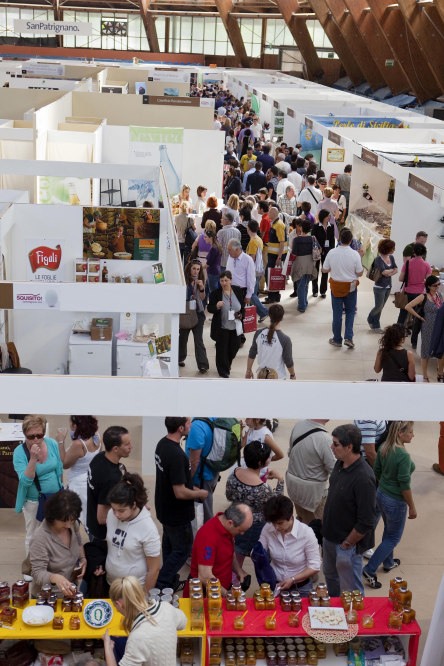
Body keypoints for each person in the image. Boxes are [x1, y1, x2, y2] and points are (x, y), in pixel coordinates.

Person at [322, 424, 376, 596]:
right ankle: (336, 615)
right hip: (329, 539)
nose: (332, 447)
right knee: (331, 577)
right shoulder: (340, 463)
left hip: (346, 546)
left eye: (336, 444)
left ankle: (354, 620)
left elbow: (366, 520)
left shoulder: (364, 478)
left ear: (349, 447)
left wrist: (347, 544)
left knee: (350, 590)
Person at [155, 418, 208, 590]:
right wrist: (199, 493)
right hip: (177, 514)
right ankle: (161, 583)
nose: (191, 426)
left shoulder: (162, 444)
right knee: (182, 551)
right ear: (180, 428)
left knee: (169, 547)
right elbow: (179, 492)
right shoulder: (178, 456)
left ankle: (169, 582)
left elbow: (172, 481)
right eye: (188, 423)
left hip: (164, 508)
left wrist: (187, 486)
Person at [362, 422, 416, 589]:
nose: (413, 435)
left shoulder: (385, 446)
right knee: (393, 537)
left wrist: (383, 485)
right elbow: (404, 485)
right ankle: (370, 570)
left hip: (381, 495)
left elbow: (376, 469)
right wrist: (412, 506)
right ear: (400, 433)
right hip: (395, 501)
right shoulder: (402, 456)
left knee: (388, 530)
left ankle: (389, 562)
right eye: (411, 432)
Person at [226, 442, 284, 580]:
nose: (270, 458)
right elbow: (276, 504)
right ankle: (267, 589)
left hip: (234, 520)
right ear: (260, 463)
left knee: (235, 559)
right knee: (261, 559)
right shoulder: (262, 488)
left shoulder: (234, 474)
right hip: (254, 526)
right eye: (268, 457)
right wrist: (280, 479)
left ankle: (231, 590)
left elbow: (229, 496)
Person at [104, 576, 187, 666]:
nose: (117, 610)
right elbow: (183, 622)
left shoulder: (137, 638)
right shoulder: (166, 608)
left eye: (115, 607)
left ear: (120, 605)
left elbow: (143, 639)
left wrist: (108, 648)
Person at [13, 414, 64, 554]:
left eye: (39, 435)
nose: (36, 439)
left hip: (54, 498)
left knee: (55, 533)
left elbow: (59, 468)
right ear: (24, 435)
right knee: (34, 535)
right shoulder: (19, 452)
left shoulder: (52, 444)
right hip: (34, 501)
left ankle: (51, 563)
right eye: (31, 436)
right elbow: (26, 480)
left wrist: (61, 490)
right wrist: (33, 459)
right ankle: (31, 568)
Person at [106, 473, 161, 594]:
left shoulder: (148, 528)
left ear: (134, 504)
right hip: (112, 584)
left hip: (135, 590)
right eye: (113, 508)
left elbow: (154, 569)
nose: (116, 514)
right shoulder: (111, 514)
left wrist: (144, 597)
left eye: (121, 511)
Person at [258, 495, 321, 596]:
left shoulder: (306, 533)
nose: (276, 527)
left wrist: (292, 579)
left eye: (280, 523)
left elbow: (315, 566)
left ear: (291, 517)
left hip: (301, 588)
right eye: (273, 523)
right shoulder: (268, 528)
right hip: (276, 586)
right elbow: (259, 550)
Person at [186, 503, 253, 597]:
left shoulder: (227, 529)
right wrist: (227, 594)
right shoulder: (208, 537)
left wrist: (239, 571)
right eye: (240, 530)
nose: (242, 534)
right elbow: (205, 576)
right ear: (230, 522)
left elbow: (228, 554)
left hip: (223, 588)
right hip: (206, 595)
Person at [29, 489, 86, 599]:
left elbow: (79, 542)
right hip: (48, 597)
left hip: (70, 593)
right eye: (64, 521)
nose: (68, 525)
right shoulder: (40, 538)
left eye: (72, 520)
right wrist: (55, 578)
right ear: (52, 517)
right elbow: (37, 573)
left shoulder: (73, 525)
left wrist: (82, 558)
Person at [86, 425, 132, 546]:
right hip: (103, 537)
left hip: (92, 525)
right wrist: (132, 513)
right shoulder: (110, 478)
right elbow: (102, 518)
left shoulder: (99, 457)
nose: (131, 446)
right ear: (116, 448)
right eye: (127, 444)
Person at [286, 419, 335, 525]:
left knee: (300, 522)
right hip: (313, 496)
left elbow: (290, 453)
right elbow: (335, 470)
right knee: (314, 530)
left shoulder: (299, 424)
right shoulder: (325, 440)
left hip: (295, 488)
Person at [323, 227, 364, 349]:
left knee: (337, 313)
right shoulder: (355, 254)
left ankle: (336, 339)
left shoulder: (332, 252)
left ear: (340, 239)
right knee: (350, 312)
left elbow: (324, 269)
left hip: (336, 286)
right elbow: (360, 273)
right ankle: (349, 338)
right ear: (351, 241)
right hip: (350, 287)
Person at [59, 416, 102, 528]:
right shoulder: (96, 435)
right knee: (91, 518)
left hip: (77, 486)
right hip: (91, 481)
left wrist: (60, 441)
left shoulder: (79, 444)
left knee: (73, 520)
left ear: (75, 426)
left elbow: (64, 463)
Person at [405, 275, 444, 382]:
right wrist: (419, 317)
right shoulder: (423, 297)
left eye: (438, 284)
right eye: (434, 285)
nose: (437, 287)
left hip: (440, 327)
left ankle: (440, 373)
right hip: (428, 327)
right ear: (428, 286)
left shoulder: (441, 296)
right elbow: (408, 306)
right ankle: (425, 375)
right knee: (425, 351)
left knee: (441, 350)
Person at [207, 269, 245, 378]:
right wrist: (216, 306)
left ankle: (226, 364)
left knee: (234, 348)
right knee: (221, 351)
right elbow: (210, 308)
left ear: (231, 281)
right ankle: (223, 370)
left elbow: (242, 308)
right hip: (222, 327)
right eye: (222, 280)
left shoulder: (237, 291)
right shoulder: (216, 294)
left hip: (235, 327)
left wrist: (241, 315)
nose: (224, 283)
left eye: (226, 280)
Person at [246, 304, 296, 380]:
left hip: (261, 376)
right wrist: (292, 375)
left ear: (269, 315)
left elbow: (252, 353)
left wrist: (248, 371)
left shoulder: (259, 333)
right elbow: (288, 360)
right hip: (278, 378)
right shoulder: (285, 339)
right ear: (282, 318)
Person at [397, 242, 432, 346]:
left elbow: (400, 279)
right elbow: (429, 280)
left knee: (402, 315)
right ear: (424, 253)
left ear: (413, 252)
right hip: (420, 294)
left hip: (407, 292)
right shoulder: (426, 265)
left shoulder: (407, 263)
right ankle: (414, 342)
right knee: (416, 317)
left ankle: (397, 337)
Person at [178, 260, 209, 374]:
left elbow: (202, 297)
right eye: (194, 269)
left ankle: (203, 365)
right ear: (189, 269)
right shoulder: (183, 281)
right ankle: (180, 358)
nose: (196, 271)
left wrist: (201, 287)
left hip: (197, 313)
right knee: (183, 337)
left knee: (198, 340)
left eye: (198, 269)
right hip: (185, 313)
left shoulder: (201, 281)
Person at [367, 239, 398, 332]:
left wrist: (389, 272)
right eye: (393, 248)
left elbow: (396, 270)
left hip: (388, 286)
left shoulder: (391, 257)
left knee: (381, 307)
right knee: (378, 307)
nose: (394, 250)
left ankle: (376, 325)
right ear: (387, 248)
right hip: (379, 287)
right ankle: (370, 319)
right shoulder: (378, 259)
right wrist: (390, 271)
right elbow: (383, 272)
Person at [290, 218, 317, 313]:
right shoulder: (312, 238)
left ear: (301, 227)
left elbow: (294, 253)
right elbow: (319, 250)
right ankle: (304, 302)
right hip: (310, 263)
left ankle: (302, 306)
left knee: (300, 285)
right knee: (305, 284)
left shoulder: (296, 239)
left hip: (299, 263)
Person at [263, 207, 288, 304]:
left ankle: (271, 296)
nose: (268, 214)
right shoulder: (274, 224)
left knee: (270, 275)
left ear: (274, 213)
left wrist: (279, 257)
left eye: (269, 213)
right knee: (274, 275)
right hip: (273, 255)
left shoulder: (279, 225)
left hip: (275, 256)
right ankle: (276, 295)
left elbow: (282, 242)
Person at [246, 220, 269, 323]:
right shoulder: (259, 239)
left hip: (253, 271)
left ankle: (264, 312)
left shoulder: (253, 241)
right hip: (259, 270)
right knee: (253, 293)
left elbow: (252, 258)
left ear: (248, 229)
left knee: (250, 294)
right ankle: (253, 314)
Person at [311, 209, 335, 298]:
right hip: (317, 251)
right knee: (315, 271)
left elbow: (332, 240)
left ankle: (323, 291)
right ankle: (315, 290)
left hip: (327, 252)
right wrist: (318, 248)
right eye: (327, 216)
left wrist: (332, 251)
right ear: (323, 217)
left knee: (325, 271)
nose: (329, 217)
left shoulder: (331, 226)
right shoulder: (316, 226)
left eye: (329, 216)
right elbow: (312, 238)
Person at [226, 238, 255, 306]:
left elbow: (251, 279)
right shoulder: (230, 257)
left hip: (241, 291)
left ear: (236, 249)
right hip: (230, 290)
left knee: (241, 314)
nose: (227, 251)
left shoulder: (247, 259)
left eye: (229, 250)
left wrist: (248, 295)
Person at [203, 229, 222, 294]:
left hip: (212, 273)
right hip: (215, 272)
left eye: (206, 237)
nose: (204, 238)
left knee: (213, 293)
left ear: (211, 238)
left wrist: (200, 268)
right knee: (207, 289)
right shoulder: (217, 247)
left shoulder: (213, 248)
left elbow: (208, 264)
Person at [258, 200, 271, 292]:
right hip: (269, 245)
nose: (257, 209)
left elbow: (261, 235)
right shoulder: (269, 218)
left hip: (265, 245)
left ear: (262, 209)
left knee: (262, 267)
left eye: (258, 208)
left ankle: (261, 287)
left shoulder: (264, 220)